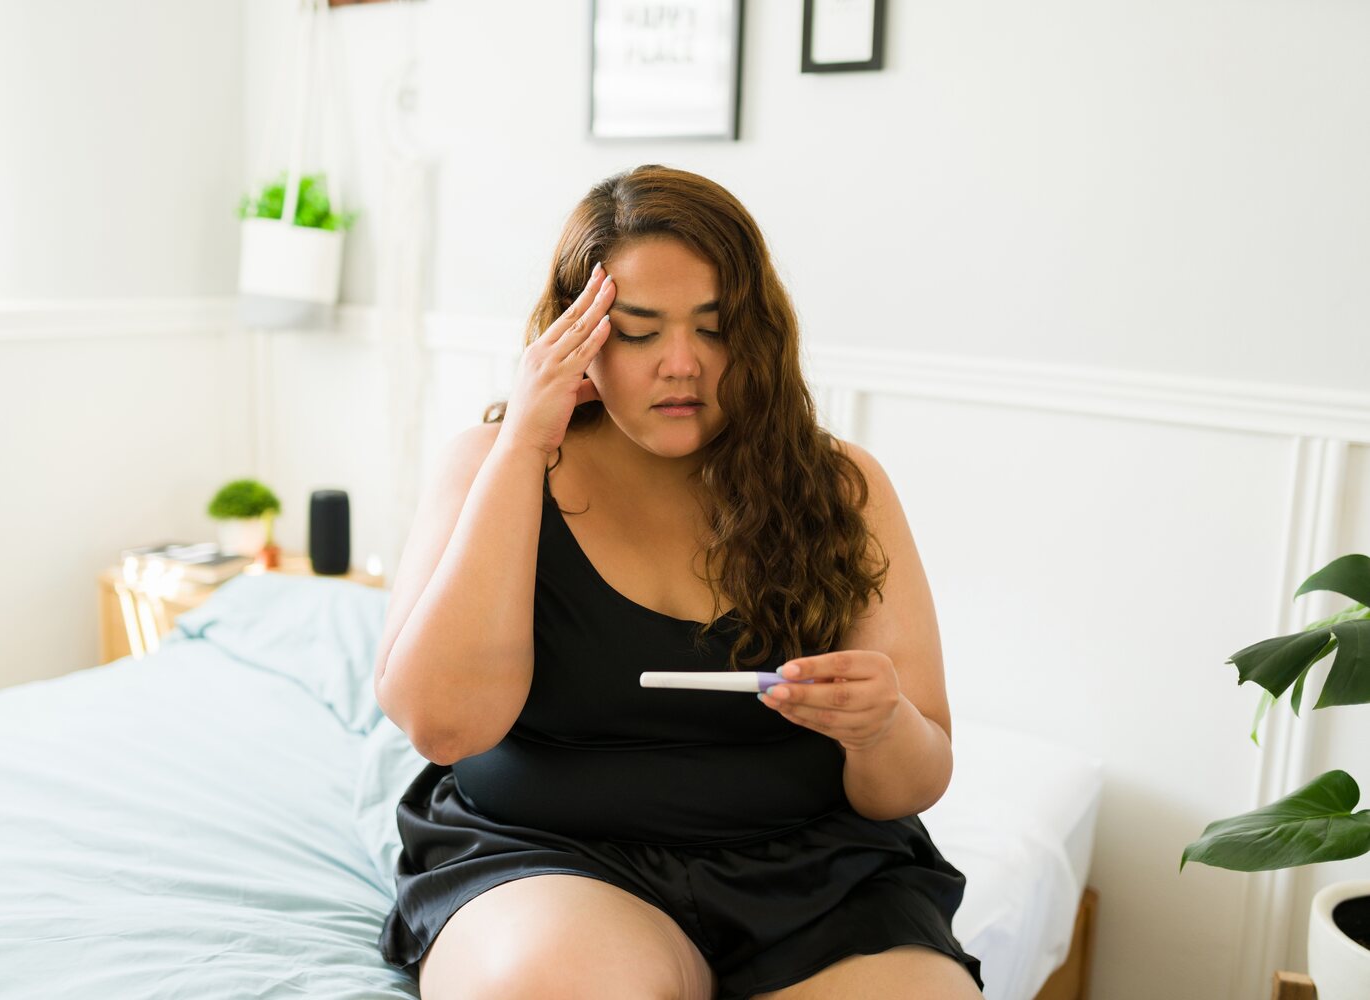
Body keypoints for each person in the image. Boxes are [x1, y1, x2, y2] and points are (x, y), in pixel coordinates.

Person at [373, 164, 984, 1000]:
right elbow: (444, 727)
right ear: (575, 336)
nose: (682, 365)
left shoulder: (844, 485)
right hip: (550, 859)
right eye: (638, 330)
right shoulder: (493, 463)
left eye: (716, 326)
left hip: (816, 872)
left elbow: (914, 781)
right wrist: (524, 444)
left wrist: (879, 727)